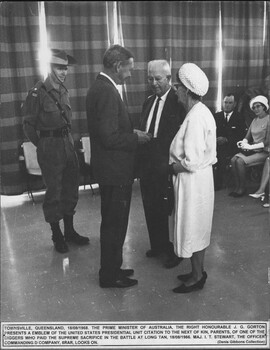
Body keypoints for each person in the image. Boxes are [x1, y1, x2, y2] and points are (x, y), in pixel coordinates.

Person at [86, 45, 151, 288]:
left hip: (112, 170)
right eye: (128, 69)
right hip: (114, 172)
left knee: (115, 223)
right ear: (117, 66)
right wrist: (136, 138)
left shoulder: (102, 87)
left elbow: (110, 130)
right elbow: (109, 138)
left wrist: (130, 131)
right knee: (114, 224)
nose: (130, 74)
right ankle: (109, 275)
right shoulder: (105, 91)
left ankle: (114, 268)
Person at [23, 49, 90, 254]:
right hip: (50, 146)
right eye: (60, 68)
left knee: (71, 188)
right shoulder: (38, 92)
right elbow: (28, 125)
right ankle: (57, 234)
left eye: (65, 68)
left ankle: (69, 231)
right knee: (54, 193)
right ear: (50, 68)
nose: (64, 72)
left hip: (67, 143)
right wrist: (44, 144)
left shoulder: (62, 89)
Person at [168, 63, 217, 293]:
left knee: (194, 226)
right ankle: (197, 270)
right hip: (197, 180)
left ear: (187, 91)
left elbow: (192, 160)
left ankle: (197, 277)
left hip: (193, 180)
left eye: (177, 86)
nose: (175, 90)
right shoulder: (198, 112)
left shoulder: (197, 117)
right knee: (197, 227)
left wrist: (174, 167)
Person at [137, 60, 185, 268]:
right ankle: (158, 245)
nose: (154, 83)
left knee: (172, 208)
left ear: (168, 79)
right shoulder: (148, 101)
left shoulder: (179, 101)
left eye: (158, 79)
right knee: (151, 206)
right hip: (148, 163)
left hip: (168, 163)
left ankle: (177, 250)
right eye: (150, 79)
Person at [230, 95, 269, 197]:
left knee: (239, 161)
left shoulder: (269, 119)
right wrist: (243, 142)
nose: (256, 109)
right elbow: (248, 136)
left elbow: (268, 142)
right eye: (254, 107)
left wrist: (250, 147)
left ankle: (242, 188)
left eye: (258, 106)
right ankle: (237, 187)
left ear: (264, 106)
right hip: (254, 150)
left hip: (264, 152)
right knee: (233, 159)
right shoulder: (255, 120)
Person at [213, 93, 246, 190]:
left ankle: (218, 183)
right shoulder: (216, 116)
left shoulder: (239, 117)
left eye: (230, 103)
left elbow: (241, 136)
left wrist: (227, 139)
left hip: (232, 146)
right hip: (216, 144)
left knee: (221, 154)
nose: (227, 105)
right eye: (225, 102)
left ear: (235, 104)